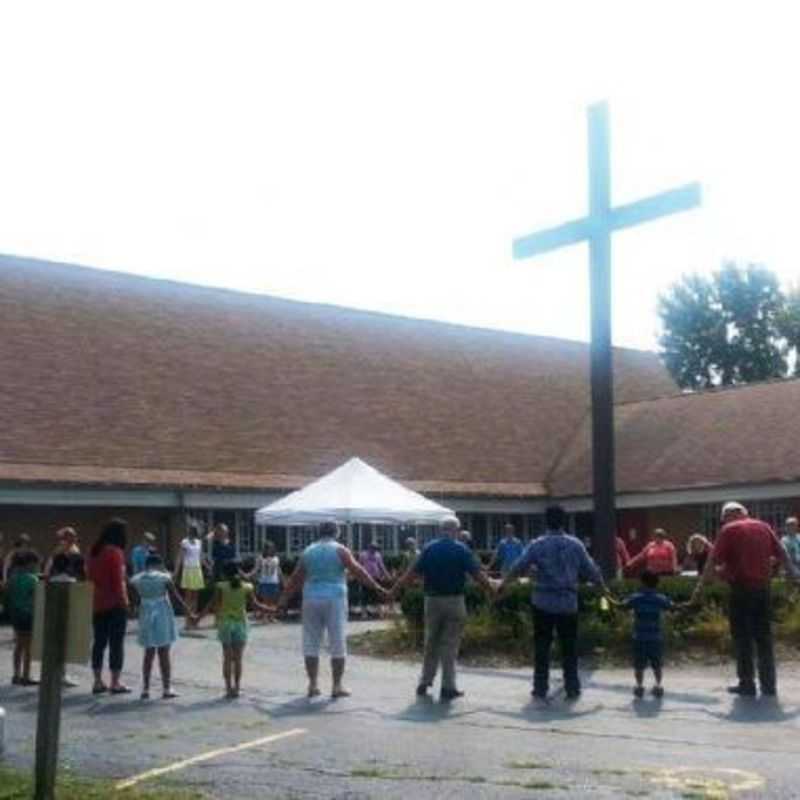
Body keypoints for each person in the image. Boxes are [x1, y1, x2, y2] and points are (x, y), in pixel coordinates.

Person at [499, 505, 608, 701]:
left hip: (543, 602)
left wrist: (503, 584)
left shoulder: (537, 544)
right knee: (569, 647)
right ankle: (572, 687)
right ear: (563, 522)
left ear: (546, 521)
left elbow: (518, 566)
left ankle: (540, 687)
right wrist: (602, 588)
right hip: (568, 603)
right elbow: (591, 570)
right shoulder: (575, 545)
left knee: (542, 646)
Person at [690, 501, 800, 697]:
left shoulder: (729, 530)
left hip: (741, 590)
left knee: (742, 638)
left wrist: (699, 589)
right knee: (764, 638)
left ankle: (747, 684)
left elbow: (712, 560)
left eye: (724, 518)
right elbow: (782, 553)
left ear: (731, 514)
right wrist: (793, 576)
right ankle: (769, 686)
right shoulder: (764, 527)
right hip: (763, 590)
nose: (723, 521)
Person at [390, 515, 496, 701]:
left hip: (431, 600)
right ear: (456, 530)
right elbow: (478, 575)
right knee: (450, 645)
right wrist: (491, 591)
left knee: (431, 641)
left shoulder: (429, 548)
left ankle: (425, 681)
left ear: (441, 530)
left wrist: (393, 591)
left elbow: (410, 574)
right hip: (454, 600)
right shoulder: (461, 549)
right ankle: (448, 687)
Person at [280, 521, 389, 699]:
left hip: (311, 597)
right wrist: (377, 587)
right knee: (337, 640)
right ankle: (337, 685)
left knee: (310, 641)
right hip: (335, 597)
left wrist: (283, 600)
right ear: (336, 533)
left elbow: (295, 578)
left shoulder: (308, 551)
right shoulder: (340, 550)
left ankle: (313, 684)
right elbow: (358, 570)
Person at [196, 560, 271, 698]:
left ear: (224, 574)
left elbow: (211, 605)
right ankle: (237, 688)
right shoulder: (247, 587)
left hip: (225, 623)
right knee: (238, 659)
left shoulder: (221, 587)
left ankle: (228, 688)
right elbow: (256, 605)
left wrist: (197, 618)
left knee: (227, 657)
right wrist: (272, 609)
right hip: (241, 624)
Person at [612, 571, 685, 699]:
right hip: (655, 638)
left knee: (639, 665)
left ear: (642, 582)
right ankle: (658, 685)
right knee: (657, 665)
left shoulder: (636, 598)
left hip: (639, 637)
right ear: (656, 584)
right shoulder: (660, 598)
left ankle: (639, 686)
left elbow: (622, 605)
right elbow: (673, 607)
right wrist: (682, 606)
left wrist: (608, 598)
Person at [130, 554, 189, 700]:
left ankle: (145, 688)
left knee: (148, 653)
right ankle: (166, 688)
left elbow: (135, 598)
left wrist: (134, 608)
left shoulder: (137, 579)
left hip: (145, 612)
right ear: (158, 564)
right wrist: (188, 611)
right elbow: (175, 596)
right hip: (162, 612)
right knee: (164, 652)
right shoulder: (164, 578)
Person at [86, 518, 131, 695]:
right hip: (114, 604)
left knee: (99, 642)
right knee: (116, 644)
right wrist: (125, 602)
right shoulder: (115, 553)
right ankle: (115, 682)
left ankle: (97, 681)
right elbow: (118, 581)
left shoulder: (93, 552)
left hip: (97, 603)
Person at [8, 550, 40, 686]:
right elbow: (36, 598)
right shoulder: (33, 579)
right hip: (28, 615)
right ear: (29, 563)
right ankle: (26, 676)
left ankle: (16, 674)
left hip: (16, 614)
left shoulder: (13, 578)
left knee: (18, 646)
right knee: (28, 647)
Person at [174, 526, 205, 628]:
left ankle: (194, 621)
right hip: (188, 569)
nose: (194, 531)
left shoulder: (199, 542)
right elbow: (180, 557)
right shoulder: (184, 542)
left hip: (197, 570)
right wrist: (176, 572)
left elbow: (200, 557)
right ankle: (187, 621)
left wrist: (208, 567)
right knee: (188, 597)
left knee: (196, 597)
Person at [246, 541, 283, 621]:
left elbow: (279, 570)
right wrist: (248, 575)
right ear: (265, 549)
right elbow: (256, 569)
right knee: (265, 600)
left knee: (273, 600)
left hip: (274, 581)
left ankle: (272, 616)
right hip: (264, 581)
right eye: (268, 548)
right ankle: (265, 616)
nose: (270, 550)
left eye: (271, 548)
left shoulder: (276, 558)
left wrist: (282, 579)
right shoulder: (260, 558)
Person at [358, 542, 391, 618]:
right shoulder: (363, 555)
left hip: (376, 577)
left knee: (378, 594)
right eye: (373, 548)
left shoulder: (378, 555)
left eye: (375, 548)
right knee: (364, 595)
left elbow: (381, 566)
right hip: (366, 577)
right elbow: (359, 566)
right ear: (369, 548)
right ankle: (364, 613)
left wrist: (387, 575)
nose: (374, 550)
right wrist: (359, 577)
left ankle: (380, 613)